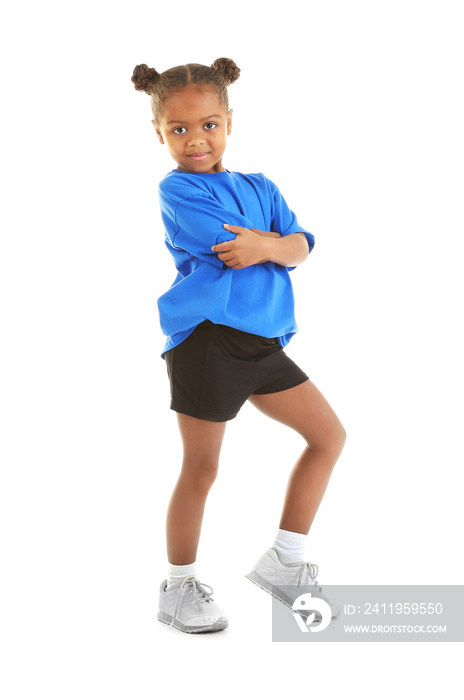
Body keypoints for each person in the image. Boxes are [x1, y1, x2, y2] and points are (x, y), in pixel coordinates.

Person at [131, 58, 346, 634]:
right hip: (209, 341)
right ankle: (177, 588)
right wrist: (276, 242)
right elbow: (234, 247)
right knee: (202, 468)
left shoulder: (262, 186)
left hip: (262, 341)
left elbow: (302, 246)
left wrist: (274, 244)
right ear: (160, 133)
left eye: (207, 125)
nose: (194, 139)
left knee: (328, 436)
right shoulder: (177, 189)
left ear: (229, 122)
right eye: (178, 130)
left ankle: (285, 561)